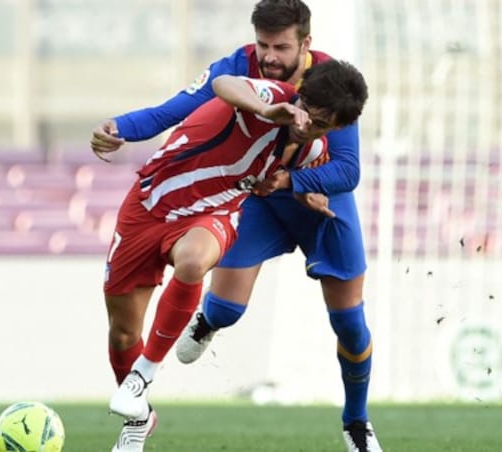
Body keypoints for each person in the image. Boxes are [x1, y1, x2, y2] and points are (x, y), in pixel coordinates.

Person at [92, 1, 381, 451]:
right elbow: (178, 108)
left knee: (349, 321)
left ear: (306, 44)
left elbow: (347, 169)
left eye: (280, 47)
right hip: (256, 193)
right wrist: (122, 127)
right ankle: (205, 320)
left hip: (318, 198)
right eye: (262, 44)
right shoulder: (243, 72)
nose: (269, 57)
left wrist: (297, 179)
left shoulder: (331, 87)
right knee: (227, 308)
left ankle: (357, 423)